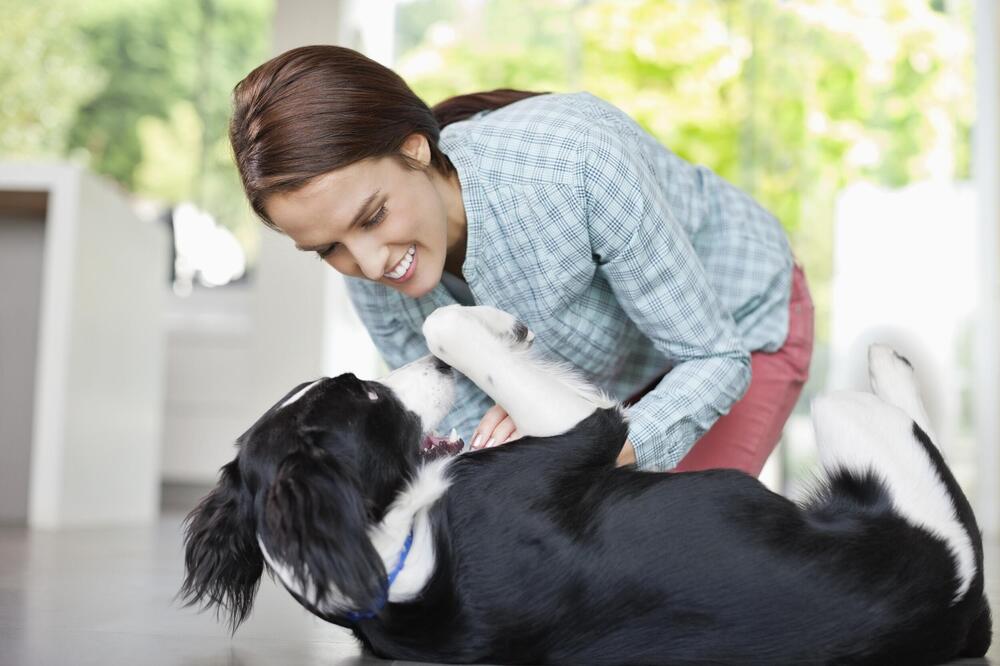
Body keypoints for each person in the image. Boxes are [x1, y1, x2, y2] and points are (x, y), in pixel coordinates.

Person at [229, 44, 814, 474]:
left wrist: (587, 444)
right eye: (329, 247)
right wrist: (519, 437)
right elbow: (468, 432)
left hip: (735, 327)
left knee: (679, 568)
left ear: (414, 149)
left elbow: (713, 356)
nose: (370, 264)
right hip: (595, 390)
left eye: (373, 216)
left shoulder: (574, 161)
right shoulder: (369, 274)